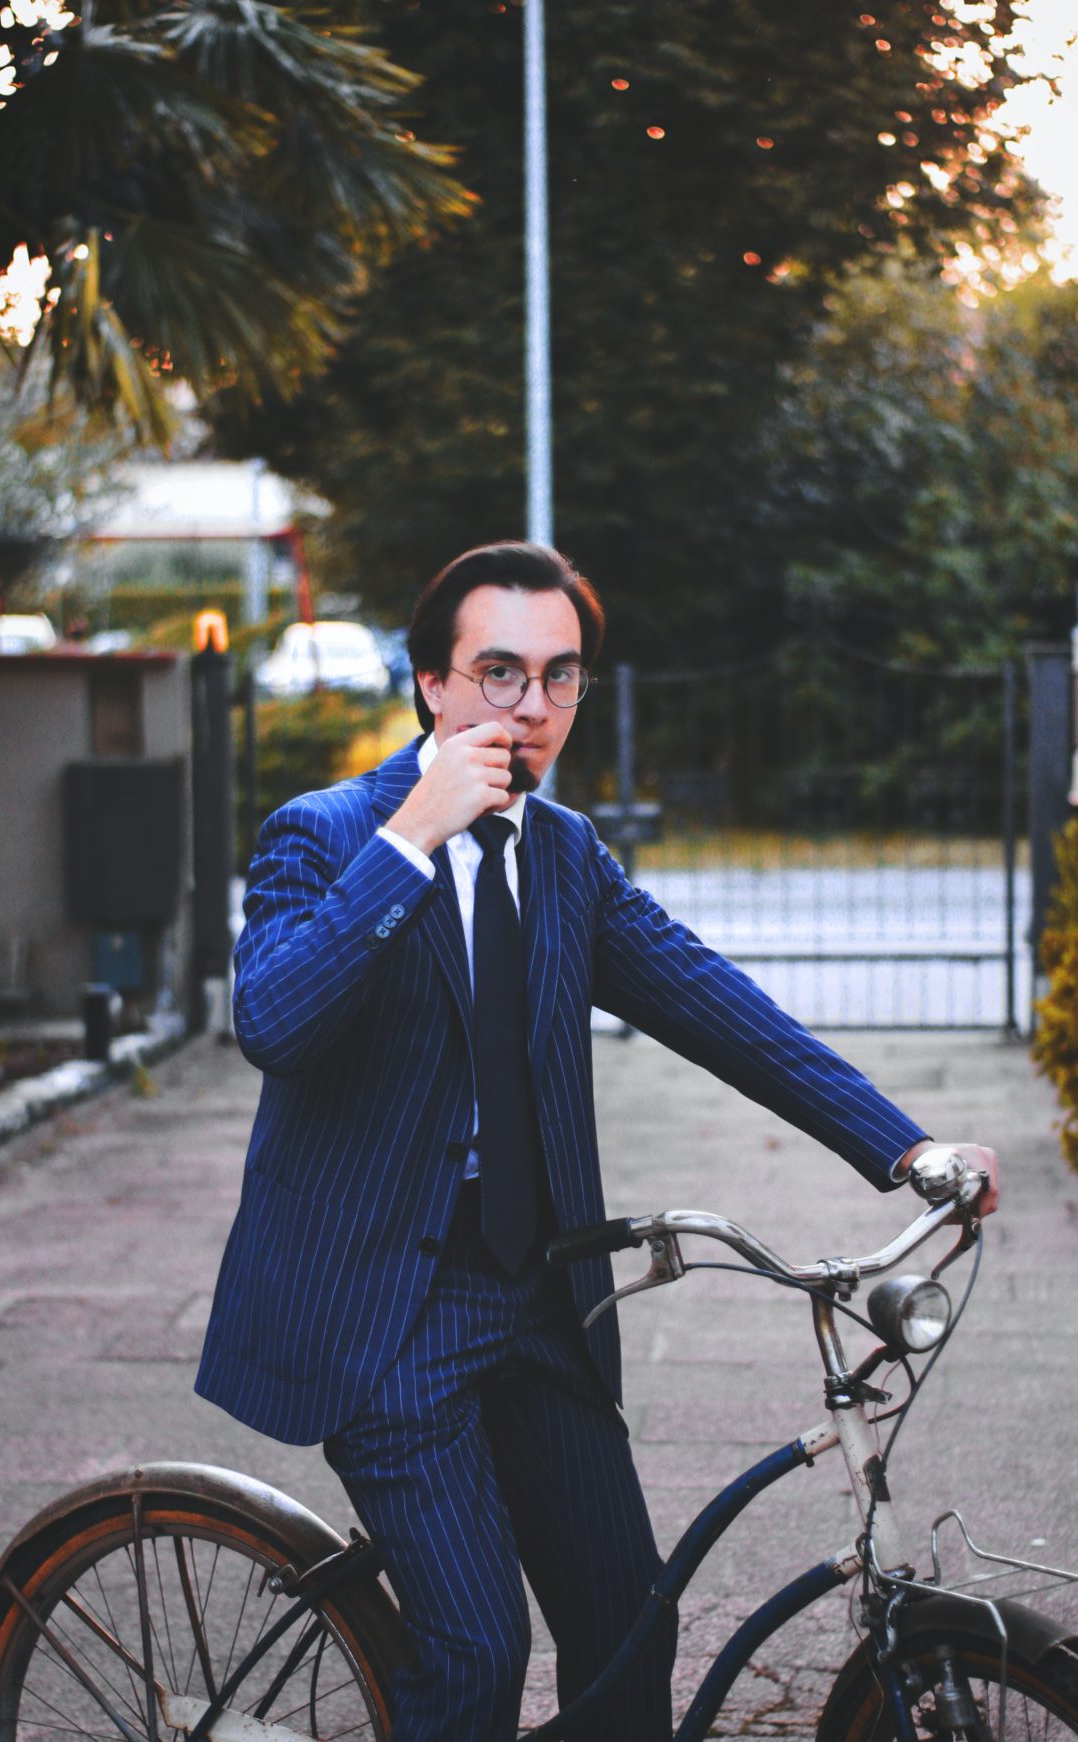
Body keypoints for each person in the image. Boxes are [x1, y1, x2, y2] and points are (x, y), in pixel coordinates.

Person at [196, 541, 998, 1742]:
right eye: (499, 672)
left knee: (631, 1620)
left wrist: (905, 1145)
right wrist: (412, 835)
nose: (530, 708)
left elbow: (715, 1003)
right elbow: (274, 1021)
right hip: (386, 1307)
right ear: (431, 682)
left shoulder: (566, 857)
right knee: (476, 1653)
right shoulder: (325, 833)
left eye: (560, 677)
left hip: (540, 1294)